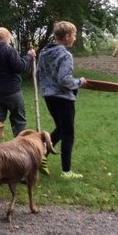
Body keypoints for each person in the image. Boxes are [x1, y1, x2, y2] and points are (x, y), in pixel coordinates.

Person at [36, 20, 87, 179]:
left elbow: (38, 74)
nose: (74, 38)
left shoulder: (44, 52)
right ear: (66, 36)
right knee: (68, 134)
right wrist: (80, 82)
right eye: (73, 35)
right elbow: (64, 79)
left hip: (48, 97)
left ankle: (38, 156)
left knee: (60, 129)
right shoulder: (65, 54)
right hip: (63, 98)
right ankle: (66, 171)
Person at [0, 27, 36, 137]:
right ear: (7, 38)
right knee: (18, 121)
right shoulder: (9, 50)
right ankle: (20, 148)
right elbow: (19, 67)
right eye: (10, 39)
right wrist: (29, 56)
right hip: (12, 92)